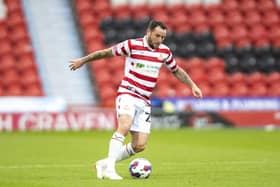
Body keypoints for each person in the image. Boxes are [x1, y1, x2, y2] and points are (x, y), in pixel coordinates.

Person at [69, 20, 203, 180]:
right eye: (157, 35)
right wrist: (82, 61)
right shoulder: (132, 45)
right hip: (128, 93)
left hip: (145, 100)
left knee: (139, 145)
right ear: (149, 32)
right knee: (124, 126)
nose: (160, 40)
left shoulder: (165, 52)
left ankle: (103, 163)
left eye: (163, 37)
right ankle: (110, 170)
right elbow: (106, 52)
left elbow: (177, 70)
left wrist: (193, 85)